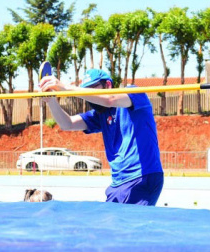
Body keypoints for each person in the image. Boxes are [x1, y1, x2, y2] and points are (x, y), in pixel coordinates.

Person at [39, 68, 164, 205]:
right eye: (86, 90)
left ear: (108, 85)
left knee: (129, 224)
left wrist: (64, 87)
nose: (90, 94)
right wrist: (51, 101)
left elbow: (109, 100)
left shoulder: (134, 93)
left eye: (93, 88)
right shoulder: (100, 115)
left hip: (141, 177)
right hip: (118, 184)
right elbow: (67, 123)